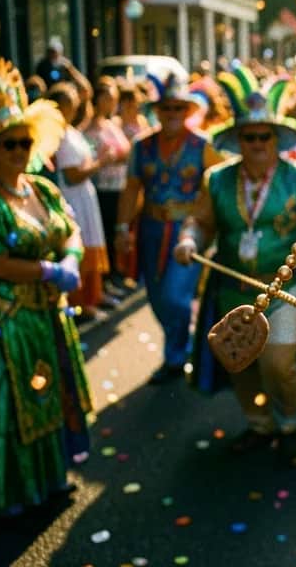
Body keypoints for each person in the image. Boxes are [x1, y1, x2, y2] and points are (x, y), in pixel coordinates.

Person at [173, 76, 296, 465]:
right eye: (249, 137)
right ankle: (259, 425)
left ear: (276, 139)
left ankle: (288, 424)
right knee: (239, 364)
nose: (257, 144)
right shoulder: (217, 180)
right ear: (238, 140)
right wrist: (189, 239)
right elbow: (200, 221)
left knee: (278, 363)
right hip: (232, 289)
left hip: (288, 290)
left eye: (265, 136)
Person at [0, 57, 92, 517]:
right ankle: (12, 494)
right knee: (11, 407)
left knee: (51, 394)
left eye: (24, 142)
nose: (17, 150)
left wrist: (70, 256)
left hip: (47, 316)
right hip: (7, 320)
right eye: (8, 144)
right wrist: (47, 272)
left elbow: (71, 229)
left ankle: (49, 481)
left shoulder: (42, 189)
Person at [115, 74, 225, 384]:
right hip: (150, 229)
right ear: (158, 111)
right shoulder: (142, 145)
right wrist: (122, 228)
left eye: (179, 108)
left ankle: (176, 355)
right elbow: (131, 189)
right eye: (167, 108)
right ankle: (182, 342)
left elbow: (219, 186)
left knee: (176, 296)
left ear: (188, 111)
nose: (173, 114)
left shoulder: (202, 144)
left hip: (188, 231)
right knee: (156, 296)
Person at [48, 82, 116, 320]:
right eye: (69, 105)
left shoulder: (72, 131)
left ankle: (92, 297)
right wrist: (101, 163)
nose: (74, 109)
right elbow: (72, 175)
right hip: (73, 197)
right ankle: (80, 304)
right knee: (80, 248)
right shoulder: (60, 136)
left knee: (91, 245)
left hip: (84, 196)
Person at [84, 79, 132, 298]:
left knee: (118, 232)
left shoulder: (112, 123)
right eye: (108, 99)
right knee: (107, 233)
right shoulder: (89, 129)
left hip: (119, 185)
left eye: (114, 99)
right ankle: (107, 279)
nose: (112, 103)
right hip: (103, 188)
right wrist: (106, 159)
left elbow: (126, 149)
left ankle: (116, 274)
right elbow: (92, 157)